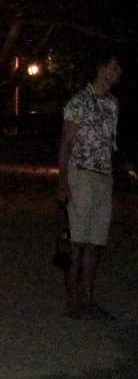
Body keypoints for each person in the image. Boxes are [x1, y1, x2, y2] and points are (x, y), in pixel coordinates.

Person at [57, 52, 123, 318]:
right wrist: (63, 181)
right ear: (100, 68)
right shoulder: (79, 103)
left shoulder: (113, 104)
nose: (118, 72)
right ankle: (73, 300)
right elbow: (66, 144)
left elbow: (111, 144)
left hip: (103, 176)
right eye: (114, 66)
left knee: (96, 242)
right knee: (77, 241)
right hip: (81, 175)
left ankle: (88, 298)